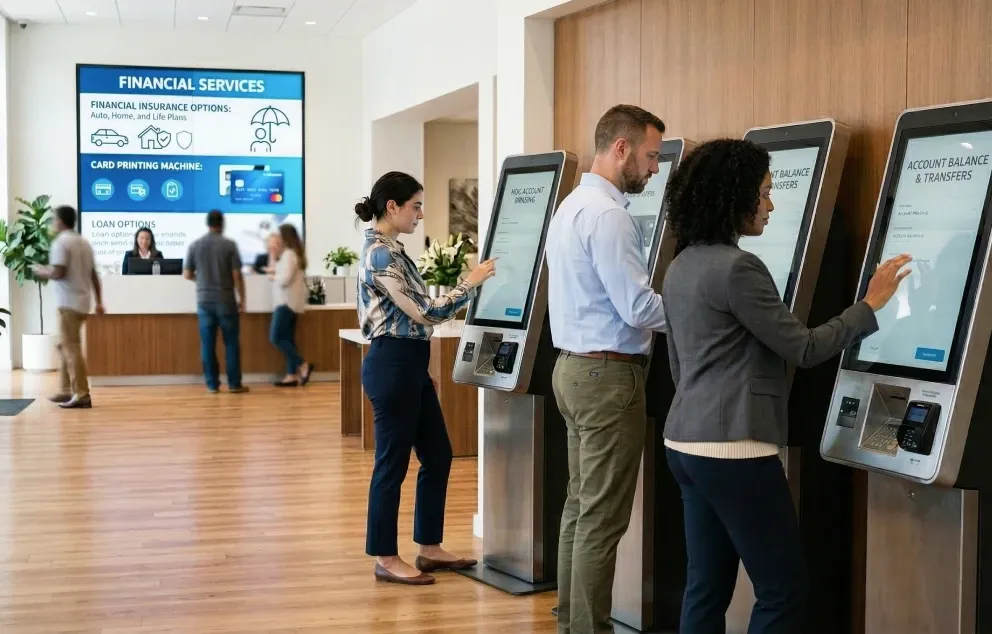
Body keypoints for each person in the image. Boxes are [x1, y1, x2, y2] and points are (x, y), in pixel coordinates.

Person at [660, 138, 911, 633]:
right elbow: (806, 347)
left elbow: (679, 363)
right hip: (735, 448)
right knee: (783, 589)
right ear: (736, 198)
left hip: (684, 442)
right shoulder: (739, 268)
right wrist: (871, 305)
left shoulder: (682, 264)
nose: (771, 206)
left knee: (705, 588)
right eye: (765, 193)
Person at [544, 104, 669, 634]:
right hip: (608, 378)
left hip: (572, 370)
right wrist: (700, 307)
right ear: (621, 148)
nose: (655, 168)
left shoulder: (571, 206)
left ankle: (571, 623)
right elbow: (638, 308)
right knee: (601, 519)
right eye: (651, 155)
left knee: (580, 508)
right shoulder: (610, 215)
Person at [357, 171, 497, 585]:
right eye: (415, 205)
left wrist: (425, 371)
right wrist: (468, 284)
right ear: (392, 207)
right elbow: (426, 313)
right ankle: (385, 556)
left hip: (410, 364)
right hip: (392, 364)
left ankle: (429, 548)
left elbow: (412, 323)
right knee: (392, 464)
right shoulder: (380, 255)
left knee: (438, 454)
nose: (420, 214)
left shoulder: (394, 250)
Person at [32, 205, 104, 409]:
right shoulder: (84, 242)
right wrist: (99, 301)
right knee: (66, 345)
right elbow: (93, 275)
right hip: (83, 302)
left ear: (61, 221)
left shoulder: (61, 242)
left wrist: (42, 271)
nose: (52, 223)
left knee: (71, 348)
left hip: (68, 303)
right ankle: (65, 390)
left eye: (54, 219)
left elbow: (59, 272)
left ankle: (82, 394)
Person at [183, 210, 248, 394]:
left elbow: (187, 274)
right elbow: (237, 276)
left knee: (208, 344)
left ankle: (212, 385)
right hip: (226, 300)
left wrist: (202, 280)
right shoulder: (229, 245)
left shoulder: (195, 245)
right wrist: (242, 299)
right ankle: (234, 384)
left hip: (204, 301)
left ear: (207, 223)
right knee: (232, 344)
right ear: (222, 224)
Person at [268, 224, 313, 387]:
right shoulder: (294, 254)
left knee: (276, 337)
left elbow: (284, 279)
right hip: (291, 304)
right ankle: (291, 375)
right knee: (288, 339)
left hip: (285, 304)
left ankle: (302, 364)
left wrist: (274, 277)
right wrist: (272, 255)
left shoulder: (288, 255)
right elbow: (276, 270)